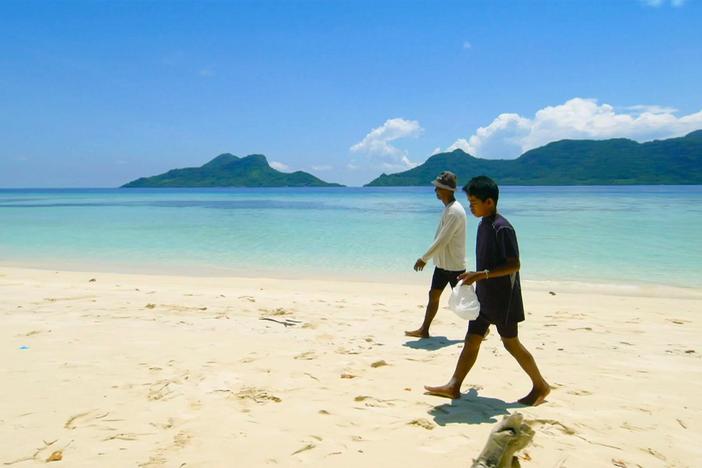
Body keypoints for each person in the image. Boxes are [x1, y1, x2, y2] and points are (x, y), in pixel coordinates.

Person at [424, 175, 550, 406]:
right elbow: (490, 262)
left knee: (511, 343)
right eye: (469, 202)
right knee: (472, 339)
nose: (471, 206)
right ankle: (454, 385)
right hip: (485, 296)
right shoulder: (484, 225)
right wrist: (474, 275)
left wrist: (481, 274)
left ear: (489, 202)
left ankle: (540, 385)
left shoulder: (503, 228)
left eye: (474, 202)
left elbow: (514, 264)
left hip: (504, 299)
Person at [405, 171, 467, 339]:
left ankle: (482, 329)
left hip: (454, 266)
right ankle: (424, 330)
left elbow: (442, 240)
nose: (435, 191)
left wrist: (423, 258)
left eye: (438, 188)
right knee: (433, 295)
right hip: (442, 265)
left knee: (465, 300)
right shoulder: (449, 209)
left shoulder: (455, 211)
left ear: (447, 190)